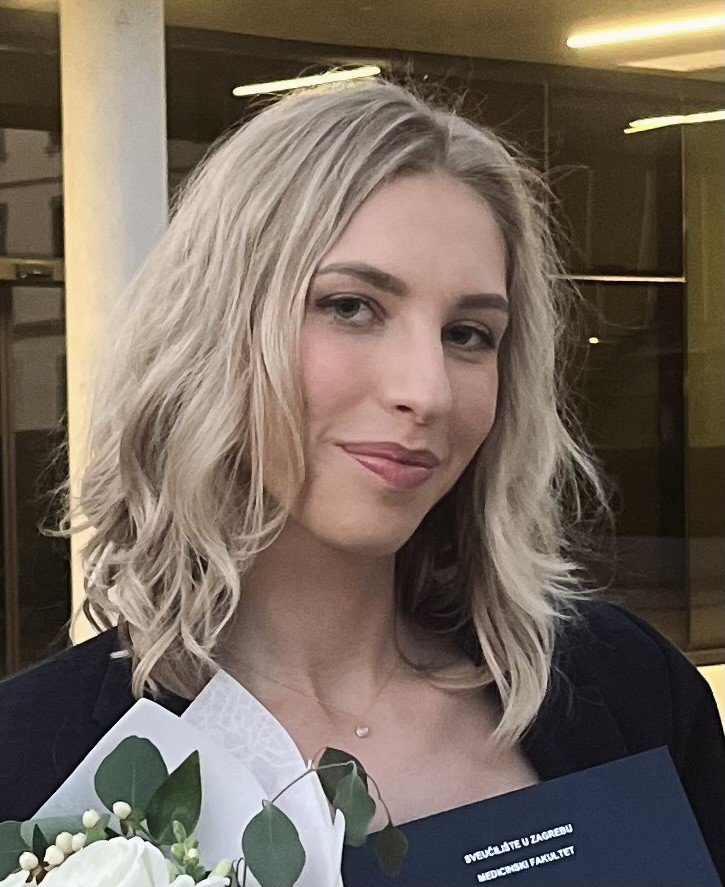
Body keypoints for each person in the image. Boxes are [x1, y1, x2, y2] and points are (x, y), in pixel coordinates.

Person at [0, 77, 723, 884]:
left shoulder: (627, 689)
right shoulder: (34, 762)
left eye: (468, 333)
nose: (428, 389)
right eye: (350, 306)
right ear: (213, 331)